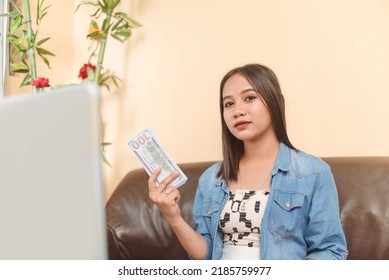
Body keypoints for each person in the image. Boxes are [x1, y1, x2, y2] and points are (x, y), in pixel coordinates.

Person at [148, 63, 347, 260]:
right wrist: (173, 217)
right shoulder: (210, 179)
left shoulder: (313, 172)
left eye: (249, 98)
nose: (237, 111)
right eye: (229, 104)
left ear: (275, 101)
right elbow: (206, 255)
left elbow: (330, 250)